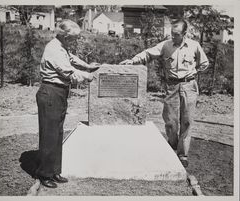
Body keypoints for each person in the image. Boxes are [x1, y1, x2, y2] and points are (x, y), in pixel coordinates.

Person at [120, 19, 209, 168]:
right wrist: (133, 61)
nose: (173, 37)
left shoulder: (194, 46)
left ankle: (182, 154)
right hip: (172, 86)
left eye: (176, 35)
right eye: (172, 34)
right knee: (170, 121)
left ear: (184, 34)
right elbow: (148, 53)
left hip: (189, 86)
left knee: (186, 121)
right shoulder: (166, 45)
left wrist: (193, 73)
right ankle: (172, 145)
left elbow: (204, 63)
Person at [35, 19, 99, 188]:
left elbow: (72, 58)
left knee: (57, 133)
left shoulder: (62, 46)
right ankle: (45, 174)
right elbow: (66, 70)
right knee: (49, 134)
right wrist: (87, 75)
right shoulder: (54, 49)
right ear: (64, 35)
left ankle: (54, 170)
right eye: (73, 37)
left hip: (59, 92)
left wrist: (87, 66)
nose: (75, 40)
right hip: (51, 91)